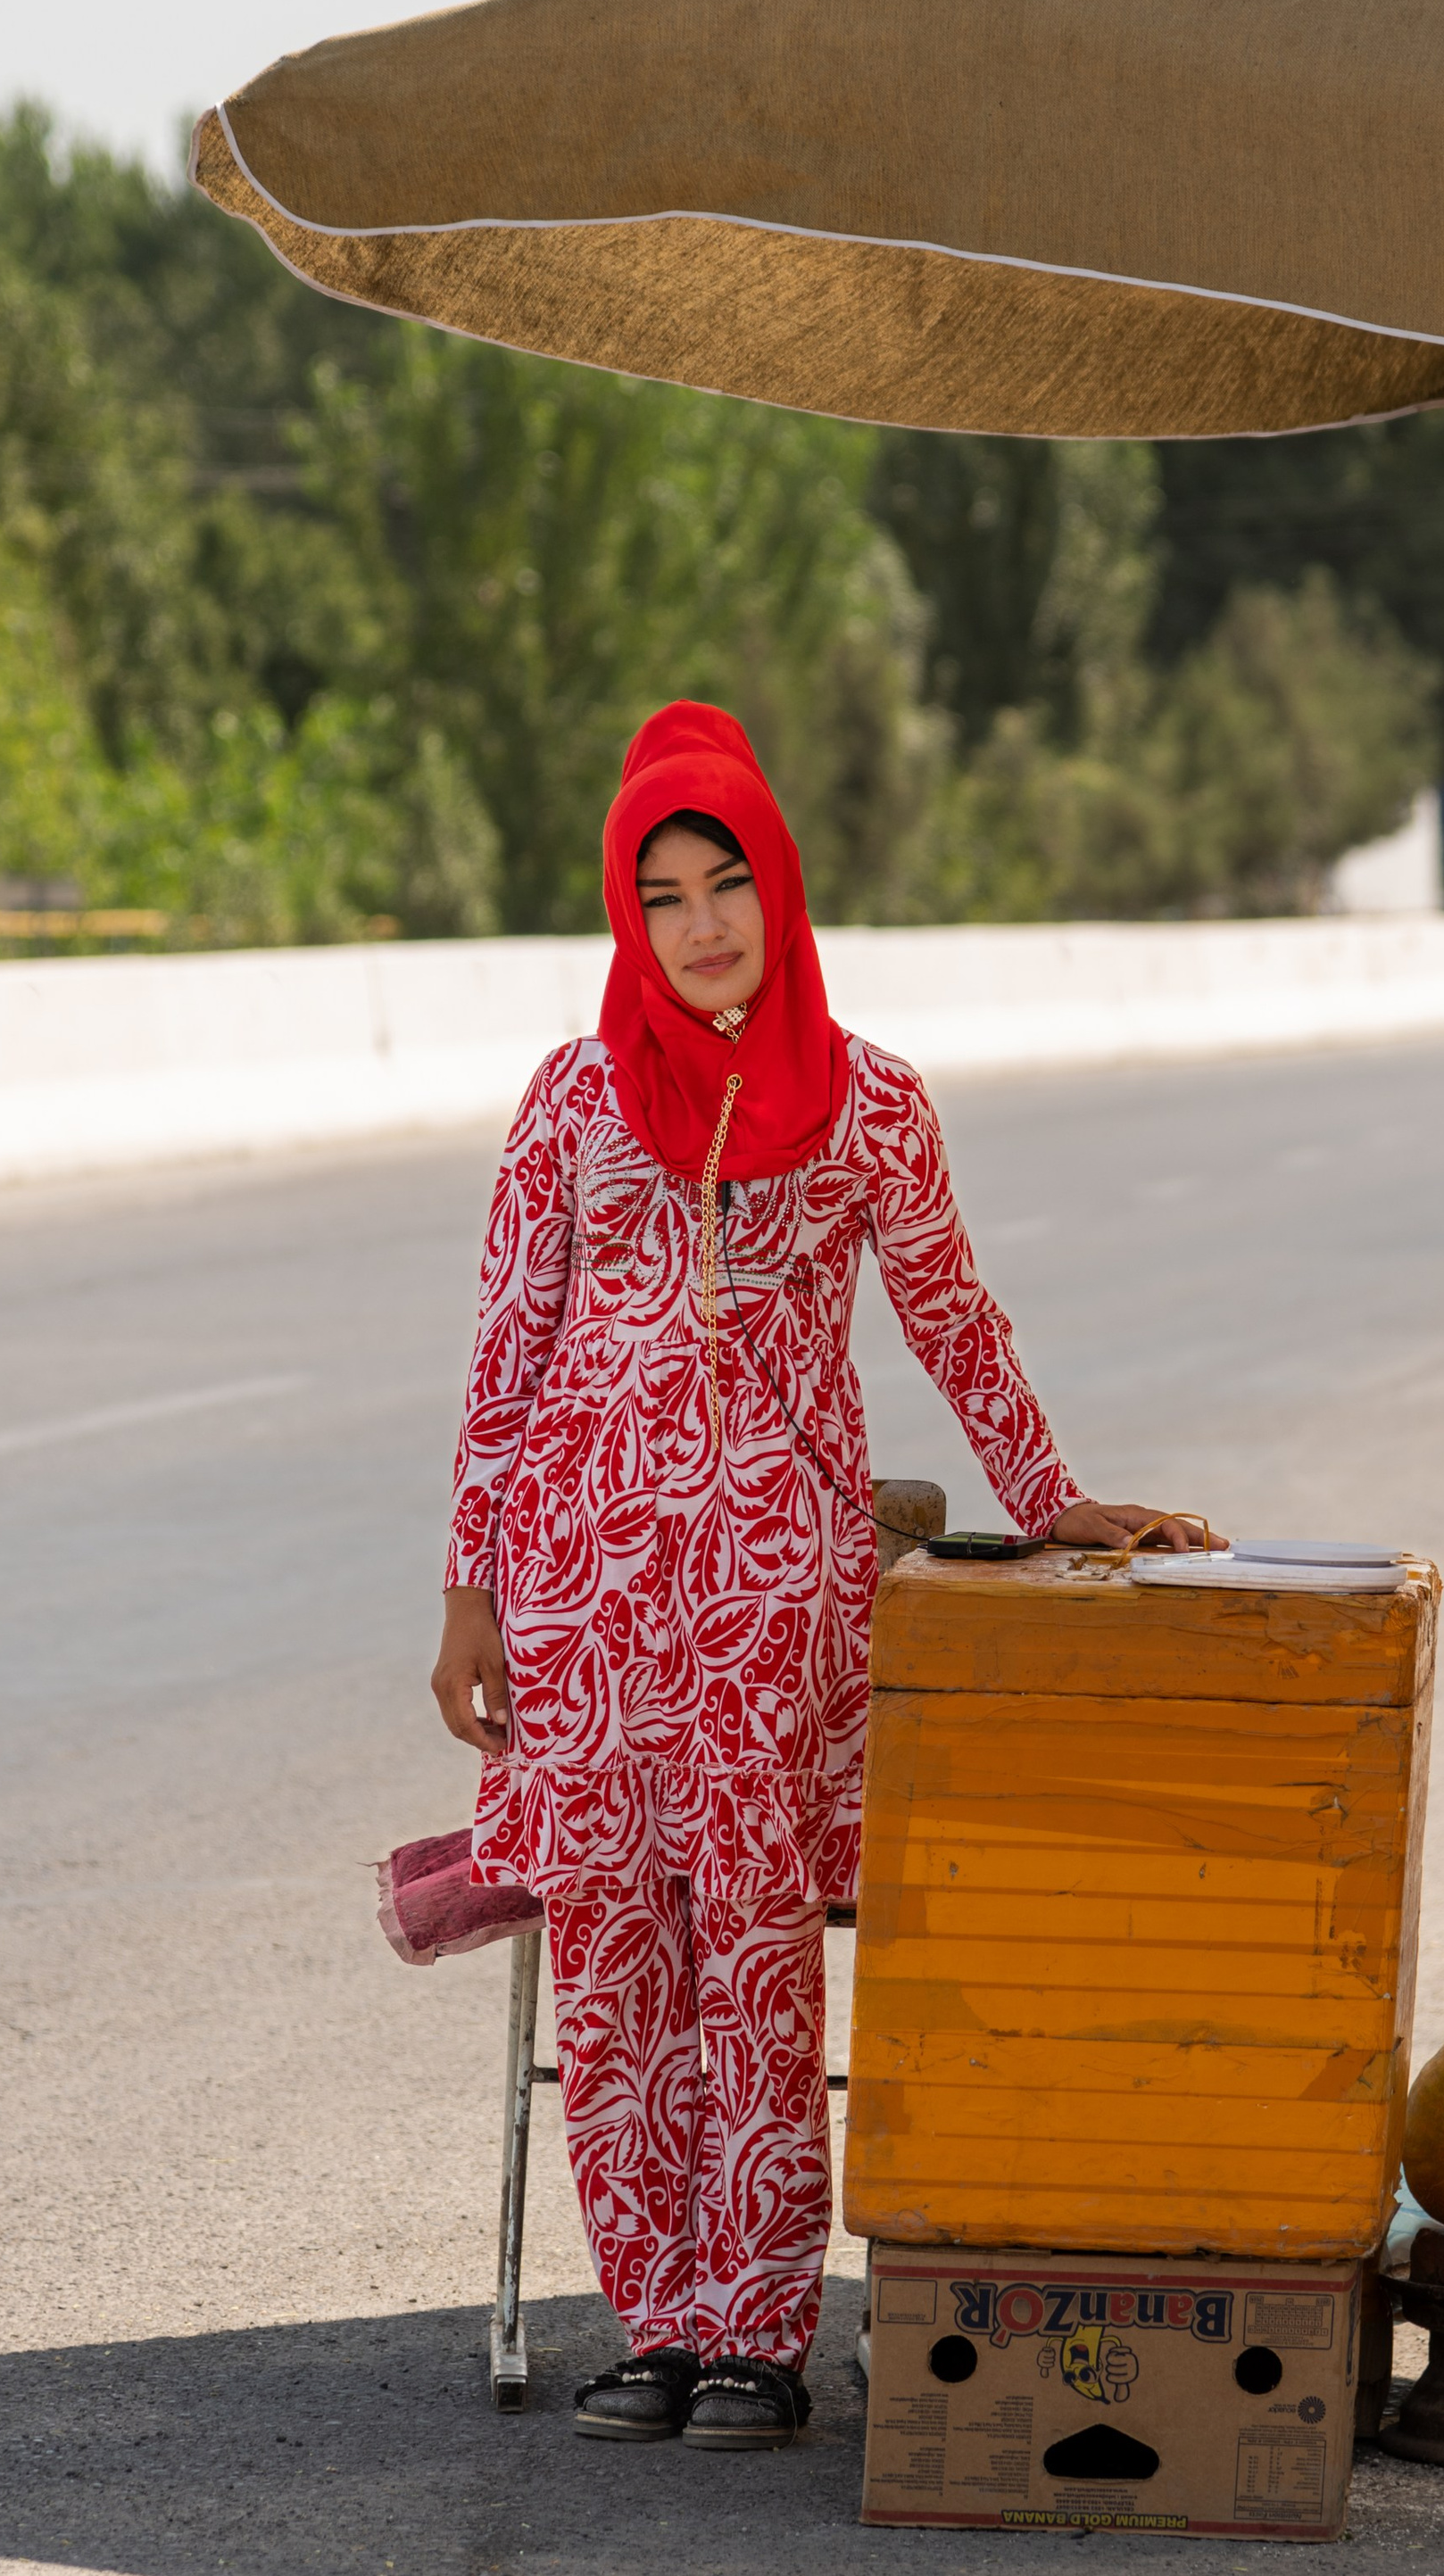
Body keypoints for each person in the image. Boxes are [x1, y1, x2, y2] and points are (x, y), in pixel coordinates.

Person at [430, 702, 1201, 2453]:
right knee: (618, 1956)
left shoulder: (863, 1107)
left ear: (778, 892)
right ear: (626, 922)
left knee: (756, 1947)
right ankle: (654, 2318)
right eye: (663, 897)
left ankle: (762, 2325)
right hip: (581, 1598)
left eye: (726, 886)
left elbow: (947, 1310)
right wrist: (469, 1584)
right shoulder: (566, 1099)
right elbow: (505, 1354)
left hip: (772, 1591)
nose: (700, 925)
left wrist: (1049, 1491)